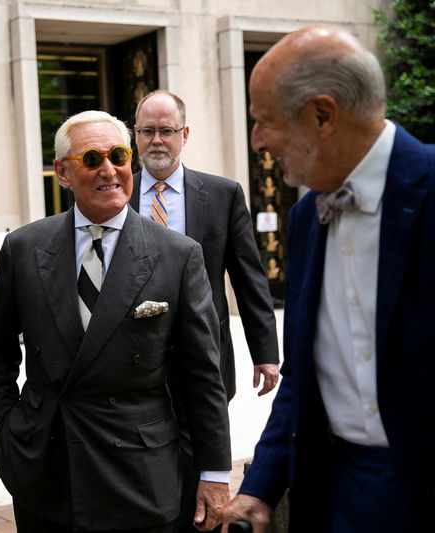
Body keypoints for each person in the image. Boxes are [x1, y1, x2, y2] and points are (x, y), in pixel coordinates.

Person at [0, 110, 232, 532]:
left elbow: (202, 374)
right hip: (48, 468)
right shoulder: (24, 248)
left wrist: (215, 472)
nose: (108, 170)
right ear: (62, 171)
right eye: (91, 160)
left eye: (118, 155)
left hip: (140, 474)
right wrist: (11, 433)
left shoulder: (177, 254)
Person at [221, 25, 435, 533]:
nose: (257, 142)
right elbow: (303, 375)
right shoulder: (303, 220)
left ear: (322, 114)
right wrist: (259, 488)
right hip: (336, 494)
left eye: (264, 122)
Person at [130, 91, 280, 532]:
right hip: (133, 360)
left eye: (167, 131)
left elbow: (249, 278)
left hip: (204, 358)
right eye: (147, 131)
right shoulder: (114, 193)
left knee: (201, 469)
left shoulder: (221, 194)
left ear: (185, 134)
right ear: (135, 135)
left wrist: (265, 351)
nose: (157, 140)